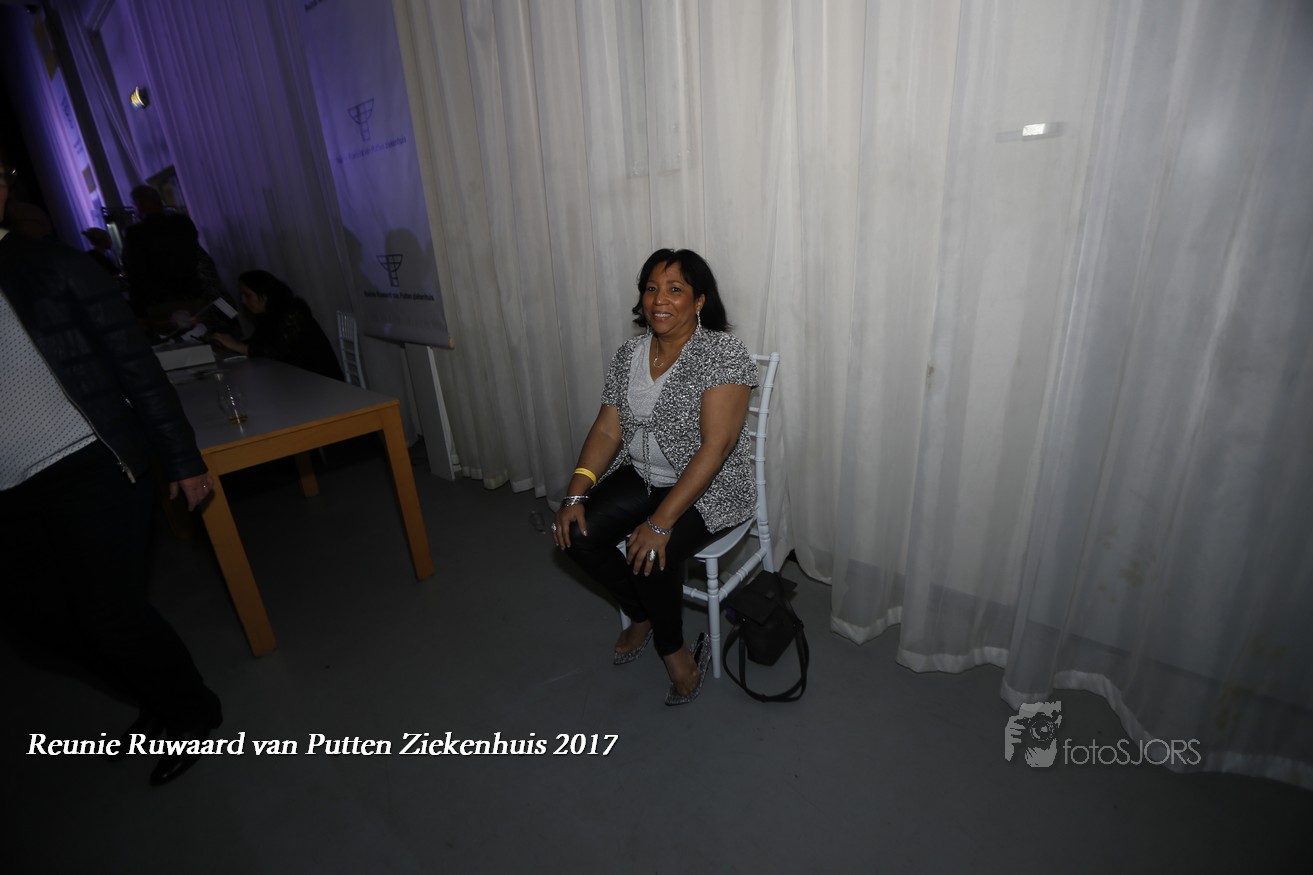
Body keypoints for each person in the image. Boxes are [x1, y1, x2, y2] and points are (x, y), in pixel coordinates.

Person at [0, 162, 223, 786]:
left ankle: (188, 712)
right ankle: (154, 695)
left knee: (109, 613)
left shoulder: (52, 264)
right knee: (38, 623)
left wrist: (182, 458)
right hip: (7, 493)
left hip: (87, 464)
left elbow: (135, 365)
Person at [553, 248, 758, 705]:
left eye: (675, 289)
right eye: (651, 288)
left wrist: (661, 522)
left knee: (648, 553)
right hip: (644, 475)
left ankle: (673, 649)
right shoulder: (630, 354)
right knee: (577, 534)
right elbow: (607, 429)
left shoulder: (721, 353)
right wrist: (575, 494)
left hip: (710, 488)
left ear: (699, 301)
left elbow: (716, 447)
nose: (659, 299)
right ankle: (642, 613)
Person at [211, 270, 345, 380]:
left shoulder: (293, 312)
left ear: (264, 294)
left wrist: (236, 346)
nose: (243, 301)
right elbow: (260, 343)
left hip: (320, 379)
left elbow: (278, 351)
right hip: (295, 378)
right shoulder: (267, 315)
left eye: (247, 295)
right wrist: (229, 344)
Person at [121, 183, 205, 320]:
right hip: (192, 293)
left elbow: (134, 271)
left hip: (160, 301)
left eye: (134, 205)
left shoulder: (135, 233)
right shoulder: (183, 222)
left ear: (139, 204)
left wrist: (138, 309)